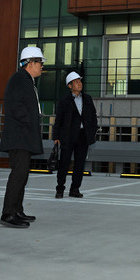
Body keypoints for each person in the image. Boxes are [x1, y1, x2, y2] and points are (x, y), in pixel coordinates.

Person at [0, 46, 46, 228]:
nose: (42, 66)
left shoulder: (26, 80)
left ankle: (17, 210)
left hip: (23, 136)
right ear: (30, 63)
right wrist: (29, 123)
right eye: (39, 62)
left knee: (22, 175)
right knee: (18, 175)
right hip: (19, 137)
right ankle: (8, 213)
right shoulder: (19, 79)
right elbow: (16, 106)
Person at [52, 71, 97, 199]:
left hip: (83, 136)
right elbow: (59, 120)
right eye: (76, 82)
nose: (79, 84)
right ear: (70, 86)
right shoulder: (64, 101)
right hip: (68, 136)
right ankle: (60, 189)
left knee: (80, 164)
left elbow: (93, 117)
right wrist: (56, 137)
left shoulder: (87, 99)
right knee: (64, 163)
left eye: (80, 81)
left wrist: (92, 131)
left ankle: (75, 189)